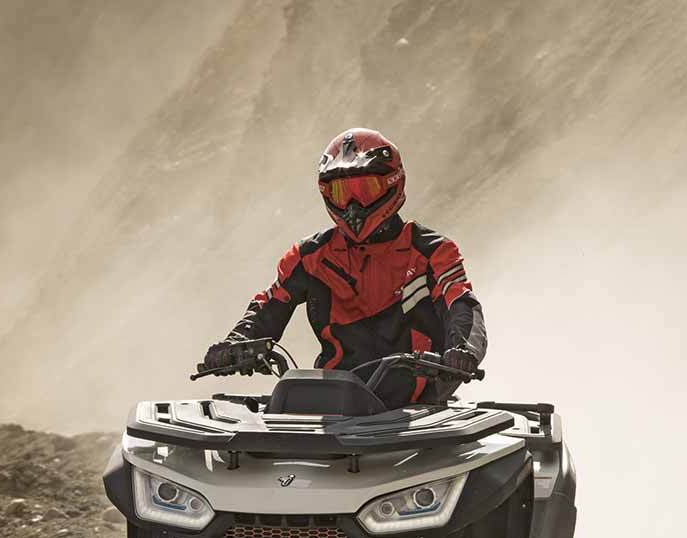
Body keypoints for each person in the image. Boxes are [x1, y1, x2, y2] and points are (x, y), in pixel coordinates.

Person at [205, 128, 487, 407]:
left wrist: (463, 350)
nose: (352, 206)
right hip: (335, 406)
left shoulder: (433, 251)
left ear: (393, 183)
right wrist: (236, 343)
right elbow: (269, 306)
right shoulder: (309, 256)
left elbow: (461, 303)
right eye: (341, 193)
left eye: (364, 191)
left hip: (417, 411)